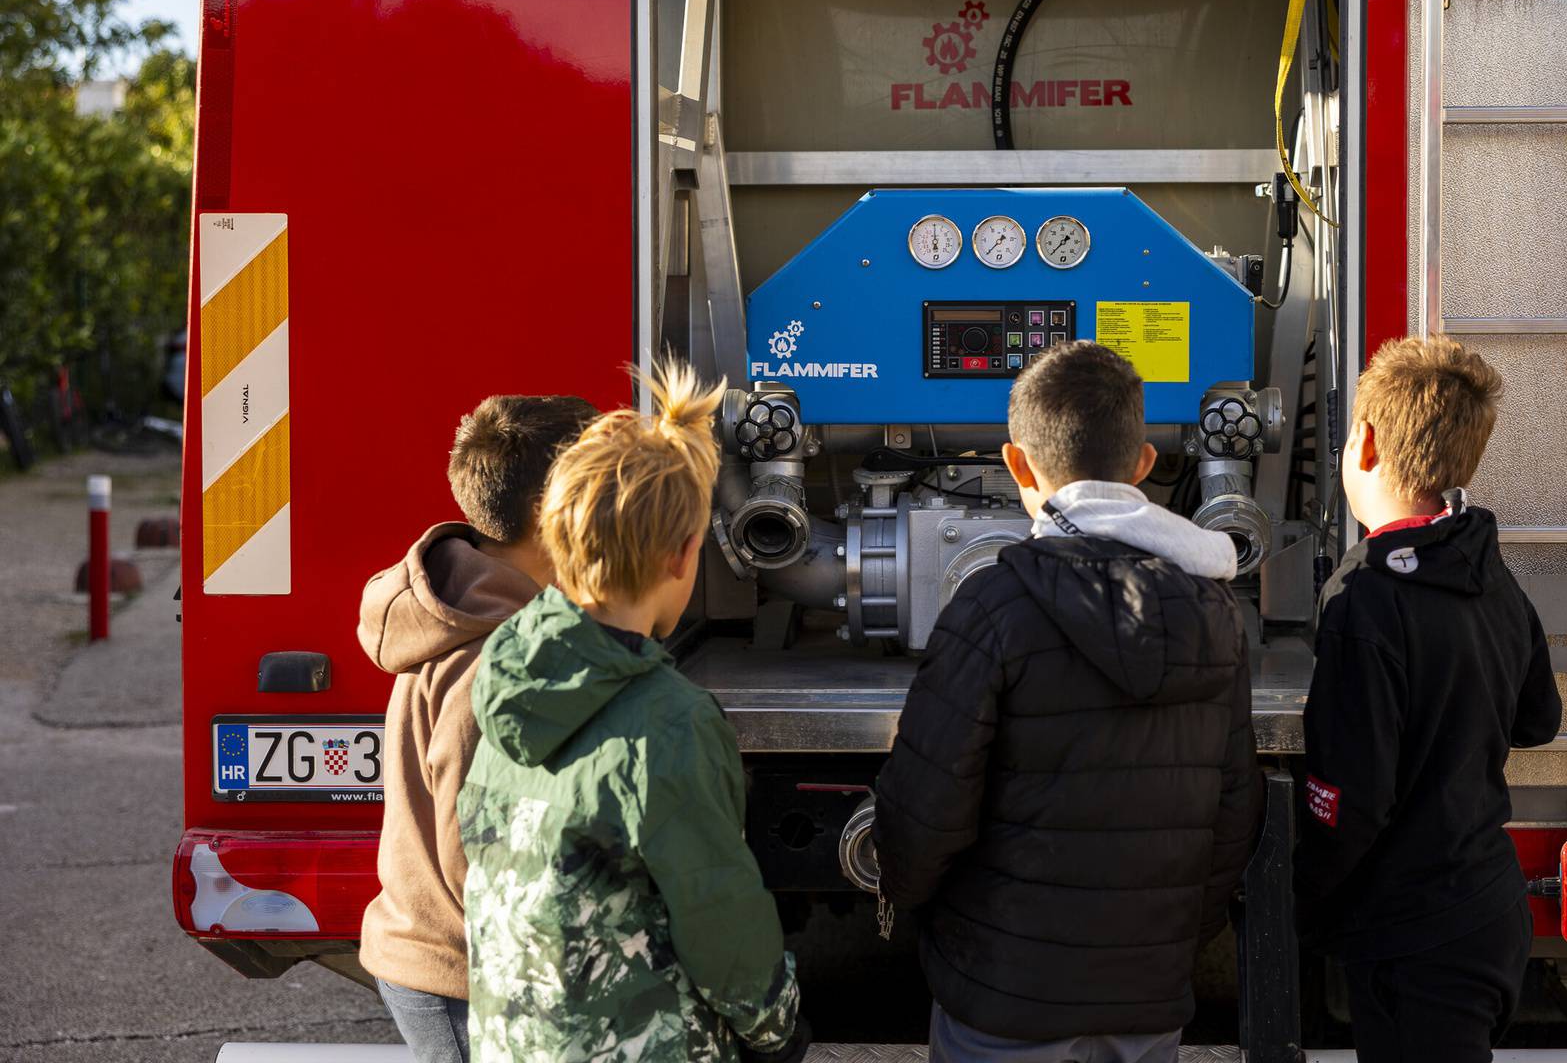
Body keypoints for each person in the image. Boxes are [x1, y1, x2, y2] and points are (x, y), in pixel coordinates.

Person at [872, 340, 1263, 1063]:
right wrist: (1170, 938)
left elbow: (925, 807)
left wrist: (925, 914)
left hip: (1001, 997)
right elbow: (1235, 813)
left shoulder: (990, 607)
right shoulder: (1216, 617)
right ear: (1144, 464)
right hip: (1148, 995)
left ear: (1016, 463)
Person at [458, 363, 805, 1063]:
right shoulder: (669, 720)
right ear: (683, 556)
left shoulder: (504, 672)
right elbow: (720, 916)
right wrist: (778, 1030)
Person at [1294, 336, 1562, 1063]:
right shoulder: (1482, 563)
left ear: (1369, 444)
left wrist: (1298, 906)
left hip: (1415, 933)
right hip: (1489, 906)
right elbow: (1540, 719)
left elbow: (1352, 801)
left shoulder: (1366, 599)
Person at [359, 393, 599, 1063]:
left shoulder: (476, 608)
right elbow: (486, 856)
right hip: (469, 980)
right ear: (554, 512)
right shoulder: (493, 659)